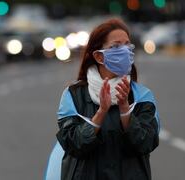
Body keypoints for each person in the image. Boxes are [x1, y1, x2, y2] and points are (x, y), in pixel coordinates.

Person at [45, 18, 160, 180]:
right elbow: (73, 145)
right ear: (99, 57)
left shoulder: (142, 96)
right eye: (116, 46)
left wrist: (125, 112)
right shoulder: (73, 95)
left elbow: (146, 143)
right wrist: (100, 113)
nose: (125, 51)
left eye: (128, 45)